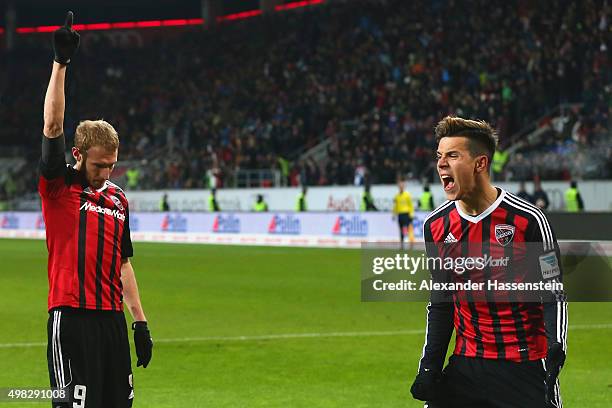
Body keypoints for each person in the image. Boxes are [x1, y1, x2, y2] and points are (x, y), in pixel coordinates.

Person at [410, 116, 567, 408]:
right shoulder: (436, 225)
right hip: (466, 365)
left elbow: (552, 291)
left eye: (453, 155)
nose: (441, 164)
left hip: (523, 365)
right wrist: (429, 365)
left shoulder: (528, 220)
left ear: (480, 164)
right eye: (439, 156)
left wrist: (557, 343)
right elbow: (442, 301)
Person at [39, 13, 152, 407]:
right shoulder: (59, 186)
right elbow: (53, 125)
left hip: (111, 324)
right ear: (78, 155)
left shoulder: (118, 200)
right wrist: (60, 63)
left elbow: (123, 264)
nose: (106, 173)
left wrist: (139, 321)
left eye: (112, 166)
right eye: (99, 165)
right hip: (70, 320)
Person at [392, 180, 414, 249]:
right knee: (401, 229)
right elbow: (395, 206)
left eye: (402, 186)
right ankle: (402, 244)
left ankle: (411, 243)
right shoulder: (397, 196)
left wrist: (411, 214)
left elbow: (410, 205)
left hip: (406, 214)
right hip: (400, 214)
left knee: (408, 229)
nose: (400, 187)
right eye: (399, 186)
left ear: (404, 187)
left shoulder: (407, 195)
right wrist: (394, 213)